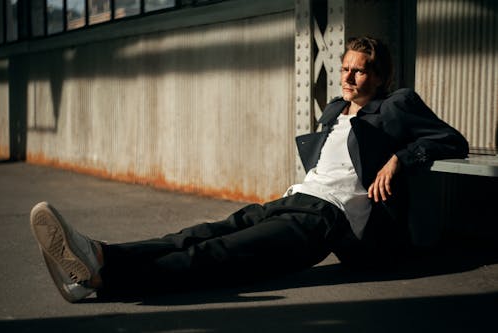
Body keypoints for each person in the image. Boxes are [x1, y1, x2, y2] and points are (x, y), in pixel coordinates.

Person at [30, 36, 469, 303]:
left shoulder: (398, 105)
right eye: (345, 69)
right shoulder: (335, 109)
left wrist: (398, 160)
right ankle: (102, 253)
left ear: (380, 76)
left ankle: (102, 280)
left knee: (219, 257)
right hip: (295, 199)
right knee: (199, 234)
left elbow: (452, 140)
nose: (350, 78)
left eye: (361, 72)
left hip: (327, 219)